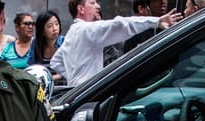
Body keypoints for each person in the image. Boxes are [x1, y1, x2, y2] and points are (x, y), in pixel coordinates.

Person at [49, 0, 181, 88]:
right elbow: (119, 24)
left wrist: (74, 80)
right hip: (88, 94)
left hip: (77, 92)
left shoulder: (72, 32)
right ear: (81, 9)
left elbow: (55, 62)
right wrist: (156, 21)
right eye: (93, 2)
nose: (98, 6)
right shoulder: (87, 29)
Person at [25, 10, 64, 82]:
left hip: (63, 87)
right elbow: (31, 67)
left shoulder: (63, 43)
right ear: (42, 31)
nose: (55, 28)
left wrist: (49, 79)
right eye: (50, 26)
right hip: (41, 87)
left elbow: (69, 71)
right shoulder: (35, 43)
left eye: (57, 24)